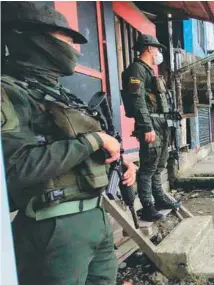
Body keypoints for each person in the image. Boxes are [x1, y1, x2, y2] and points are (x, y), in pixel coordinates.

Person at [1, 2, 136, 284]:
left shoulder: (55, 91)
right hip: (53, 227)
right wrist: (95, 140)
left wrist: (115, 159)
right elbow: (14, 169)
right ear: (37, 40)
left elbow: (69, 146)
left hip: (95, 216)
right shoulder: (9, 92)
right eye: (66, 40)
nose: (75, 50)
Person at [121, 34, 181, 222]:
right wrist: (146, 127)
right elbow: (138, 101)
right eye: (157, 49)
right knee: (148, 166)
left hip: (161, 123)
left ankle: (159, 198)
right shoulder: (137, 70)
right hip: (151, 125)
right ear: (148, 48)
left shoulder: (147, 70)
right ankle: (148, 206)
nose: (158, 53)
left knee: (159, 164)